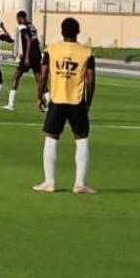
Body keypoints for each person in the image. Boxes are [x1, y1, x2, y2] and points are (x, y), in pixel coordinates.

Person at [33, 17, 96, 194]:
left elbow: (43, 74)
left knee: (51, 138)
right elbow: (91, 80)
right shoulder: (86, 52)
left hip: (57, 99)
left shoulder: (52, 50)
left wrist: (39, 96)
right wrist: (88, 102)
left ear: (61, 31)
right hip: (77, 101)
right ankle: (80, 183)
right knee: (82, 139)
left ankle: (49, 182)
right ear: (78, 31)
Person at [4, 9, 42, 112]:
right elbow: (35, 40)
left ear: (21, 18)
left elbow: (28, 40)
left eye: (17, 19)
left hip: (29, 55)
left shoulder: (23, 26)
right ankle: (48, 102)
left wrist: (26, 56)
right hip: (36, 53)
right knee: (39, 78)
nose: (17, 21)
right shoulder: (31, 25)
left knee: (16, 76)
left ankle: (10, 104)